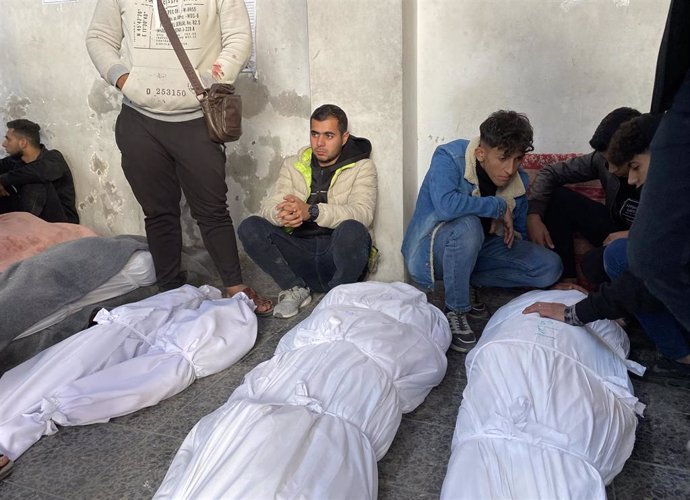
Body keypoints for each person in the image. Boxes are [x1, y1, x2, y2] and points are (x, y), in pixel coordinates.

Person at [85, 0, 272, 314]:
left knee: (212, 210)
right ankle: (169, 290)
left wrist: (216, 76)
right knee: (158, 212)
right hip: (139, 120)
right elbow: (99, 37)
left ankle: (235, 286)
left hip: (197, 119)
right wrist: (122, 79)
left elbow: (239, 37)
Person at [402, 110, 562, 353]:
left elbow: (517, 233)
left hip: (479, 251)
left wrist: (528, 265)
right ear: (481, 153)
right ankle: (455, 308)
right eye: (503, 158)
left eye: (518, 159)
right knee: (468, 226)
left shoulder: (518, 181)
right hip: (432, 251)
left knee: (550, 266)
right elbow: (446, 207)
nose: (510, 169)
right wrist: (496, 206)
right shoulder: (449, 157)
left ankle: (466, 282)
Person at [238, 104, 377, 319]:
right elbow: (269, 204)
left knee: (353, 229)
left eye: (329, 135)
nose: (319, 143)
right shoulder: (293, 164)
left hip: (337, 259)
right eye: (315, 134)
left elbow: (363, 212)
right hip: (300, 255)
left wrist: (312, 212)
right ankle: (295, 289)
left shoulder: (362, 167)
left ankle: (338, 296)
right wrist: (282, 214)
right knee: (250, 226)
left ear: (344, 137)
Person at [526, 107, 641, 283]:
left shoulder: (667, 173)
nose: (609, 169)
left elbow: (674, 230)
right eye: (605, 161)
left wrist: (631, 235)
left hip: (647, 240)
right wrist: (533, 215)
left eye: (616, 161)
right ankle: (566, 283)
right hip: (614, 227)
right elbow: (550, 173)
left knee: (594, 265)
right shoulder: (601, 161)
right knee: (559, 198)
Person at [0, 119, 78, 224]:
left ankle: (23, 230)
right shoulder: (17, 161)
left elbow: (36, 172)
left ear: (23, 142)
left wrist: (2, 180)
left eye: (8, 139)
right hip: (28, 218)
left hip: (61, 224)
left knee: (33, 181)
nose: (4, 144)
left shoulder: (53, 158)